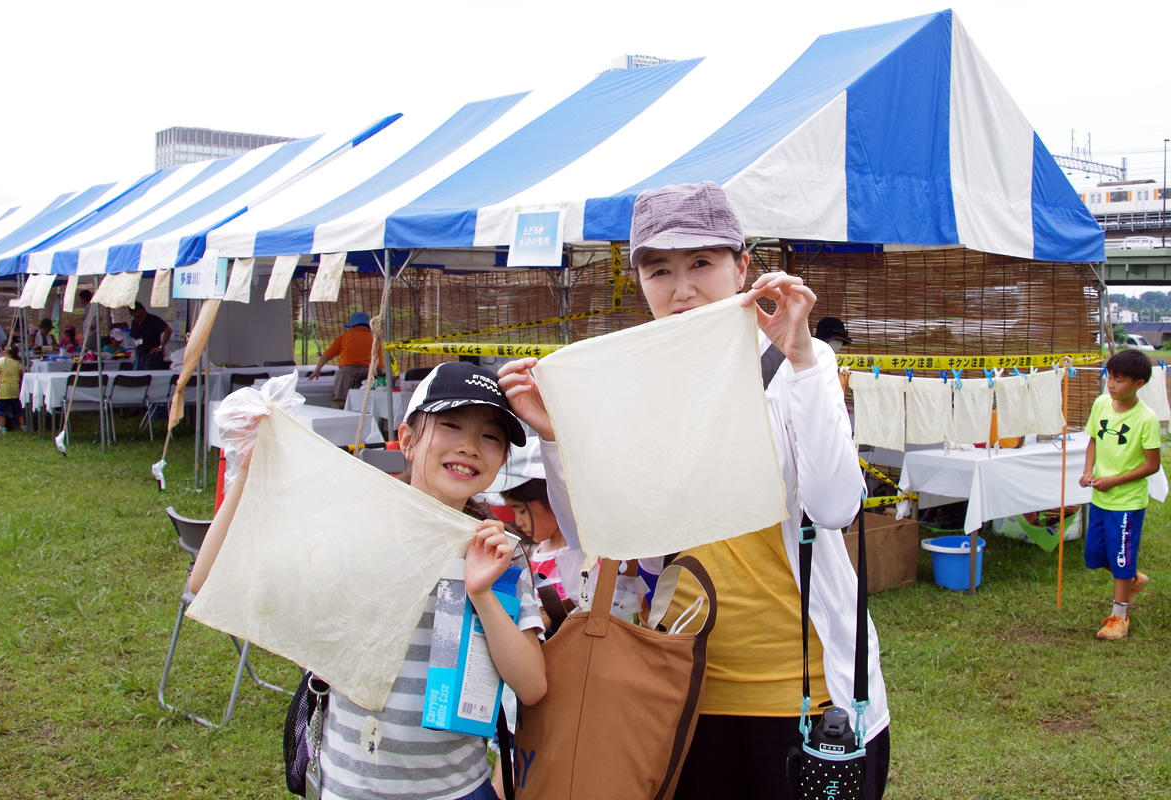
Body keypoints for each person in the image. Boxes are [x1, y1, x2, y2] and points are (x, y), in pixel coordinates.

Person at [499, 181, 890, 799]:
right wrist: (559, 437)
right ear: (641, 284)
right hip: (682, 690)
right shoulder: (638, 388)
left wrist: (804, 359)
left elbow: (836, 506)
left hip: (808, 692)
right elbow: (599, 537)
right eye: (660, 270)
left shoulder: (794, 366)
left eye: (701, 263)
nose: (681, 289)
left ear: (743, 268)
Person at [189, 361, 546, 800]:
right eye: (451, 425)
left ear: (502, 460)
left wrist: (482, 595)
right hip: (349, 786)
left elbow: (531, 686)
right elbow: (205, 582)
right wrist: (248, 471)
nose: (471, 446)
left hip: (458, 789)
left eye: (490, 437)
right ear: (408, 439)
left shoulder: (498, 554)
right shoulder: (352, 529)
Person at [1079, 348, 1161, 640]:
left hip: (1127, 501)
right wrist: (1088, 470)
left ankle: (1119, 617)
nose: (1111, 385)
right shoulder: (1101, 404)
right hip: (1100, 498)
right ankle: (1132, 578)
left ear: (1138, 384)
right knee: (1094, 554)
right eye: (1110, 377)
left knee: (1122, 558)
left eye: (1120, 380)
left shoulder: (1146, 418)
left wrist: (1115, 481)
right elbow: (1093, 441)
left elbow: (1152, 465)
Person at [309, 311, 381, 408]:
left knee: (340, 401)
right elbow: (379, 365)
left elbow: (326, 356)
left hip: (346, 373)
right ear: (368, 326)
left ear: (352, 326)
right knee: (365, 402)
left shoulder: (344, 337)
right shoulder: (374, 339)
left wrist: (317, 370)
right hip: (368, 374)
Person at [0, 343, 25, 433]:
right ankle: (23, 425)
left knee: (2, 408)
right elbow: (21, 374)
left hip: (3, 388)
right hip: (14, 388)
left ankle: (2, 426)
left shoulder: (0, 361)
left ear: (3, 351)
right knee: (17, 407)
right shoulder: (17, 361)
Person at [130, 302, 172, 370]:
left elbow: (168, 330)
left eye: (142, 315)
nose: (140, 318)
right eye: (137, 317)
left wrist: (161, 346)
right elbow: (135, 340)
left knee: (149, 373)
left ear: (144, 310)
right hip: (140, 353)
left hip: (152, 353)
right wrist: (135, 356)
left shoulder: (153, 319)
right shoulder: (134, 323)